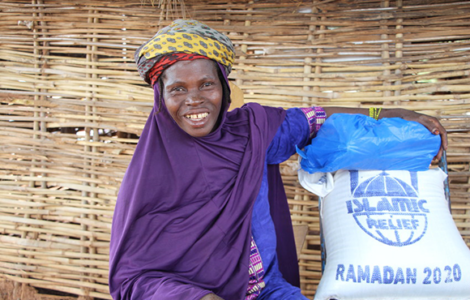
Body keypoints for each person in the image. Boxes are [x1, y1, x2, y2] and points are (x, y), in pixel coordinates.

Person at [108, 20, 447, 300]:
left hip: (268, 291)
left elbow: (316, 118)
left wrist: (390, 113)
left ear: (225, 89)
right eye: (177, 89)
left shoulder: (253, 132)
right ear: (160, 98)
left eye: (206, 84)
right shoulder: (149, 178)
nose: (194, 100)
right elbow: (131, 281)